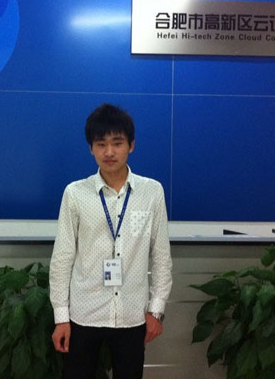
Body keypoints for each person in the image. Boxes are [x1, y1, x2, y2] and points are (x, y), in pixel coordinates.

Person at [49, 103, 173, 379]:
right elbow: (62, 258)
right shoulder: (75, 193)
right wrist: (61, 317)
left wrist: (156, 310)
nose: (109, 152)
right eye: (101, 144)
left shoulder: (152, 192)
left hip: (132, 314)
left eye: (117, 143)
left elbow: (161, 255)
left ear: (131, 145)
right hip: (84, 313)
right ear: (91, 148)